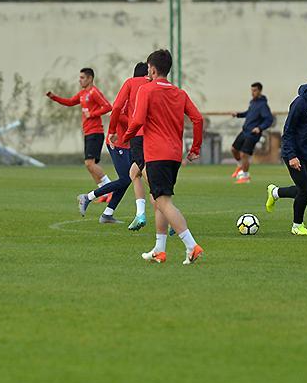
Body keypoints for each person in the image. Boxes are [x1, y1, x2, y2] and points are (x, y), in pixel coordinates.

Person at [121, 50, 204, 265]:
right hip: (174, 155)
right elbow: (197, 118)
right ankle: (159, 249)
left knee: (164, 202)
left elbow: (138, 120)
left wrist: (126, 136)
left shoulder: (146, 90)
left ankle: (191, 246)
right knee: (158, 199)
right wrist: (195, 148)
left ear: (152, 69)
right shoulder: (180, 93)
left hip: (156, 154)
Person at [77, 62, 150, 224]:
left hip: (129, 143)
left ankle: (107, 214)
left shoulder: (141, 94)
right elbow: (116, 112)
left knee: (129, 178)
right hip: (118, 143)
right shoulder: (131, 94)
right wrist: (131, 124)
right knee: (125, 179)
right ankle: (88, 197)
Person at [265, 65, 307, 235]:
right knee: (306, 189)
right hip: (293, 152)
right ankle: (297, 226)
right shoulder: (300, 103)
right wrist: (291, 156)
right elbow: (288, 132)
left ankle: (275, 192)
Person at [47, 68, 113, 198]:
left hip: (95, 132)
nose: (80, 80)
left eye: (82, 77)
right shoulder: (83, 93)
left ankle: (111, 187)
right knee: (90, 165)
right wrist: (54, 97)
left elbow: (108, 107)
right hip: (88, 132)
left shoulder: (94, 92)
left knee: (89, 163)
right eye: (80, 78)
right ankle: (105, 194)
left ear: (90, 78)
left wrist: (92, 114)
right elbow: (70, 102)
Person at [230, 82, 273, 184]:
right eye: (252, 90)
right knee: (234, 149)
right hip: (245, 131)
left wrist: (259, 128)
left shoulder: (263, 105)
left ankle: (245, 176)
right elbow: (248, 113)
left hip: (253, 134)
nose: (252, 92)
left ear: (260, 91)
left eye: (255, 90)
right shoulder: (253, 102)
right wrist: (238, 115)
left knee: (244, 154)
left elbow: (269, 119)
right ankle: (240, 167)